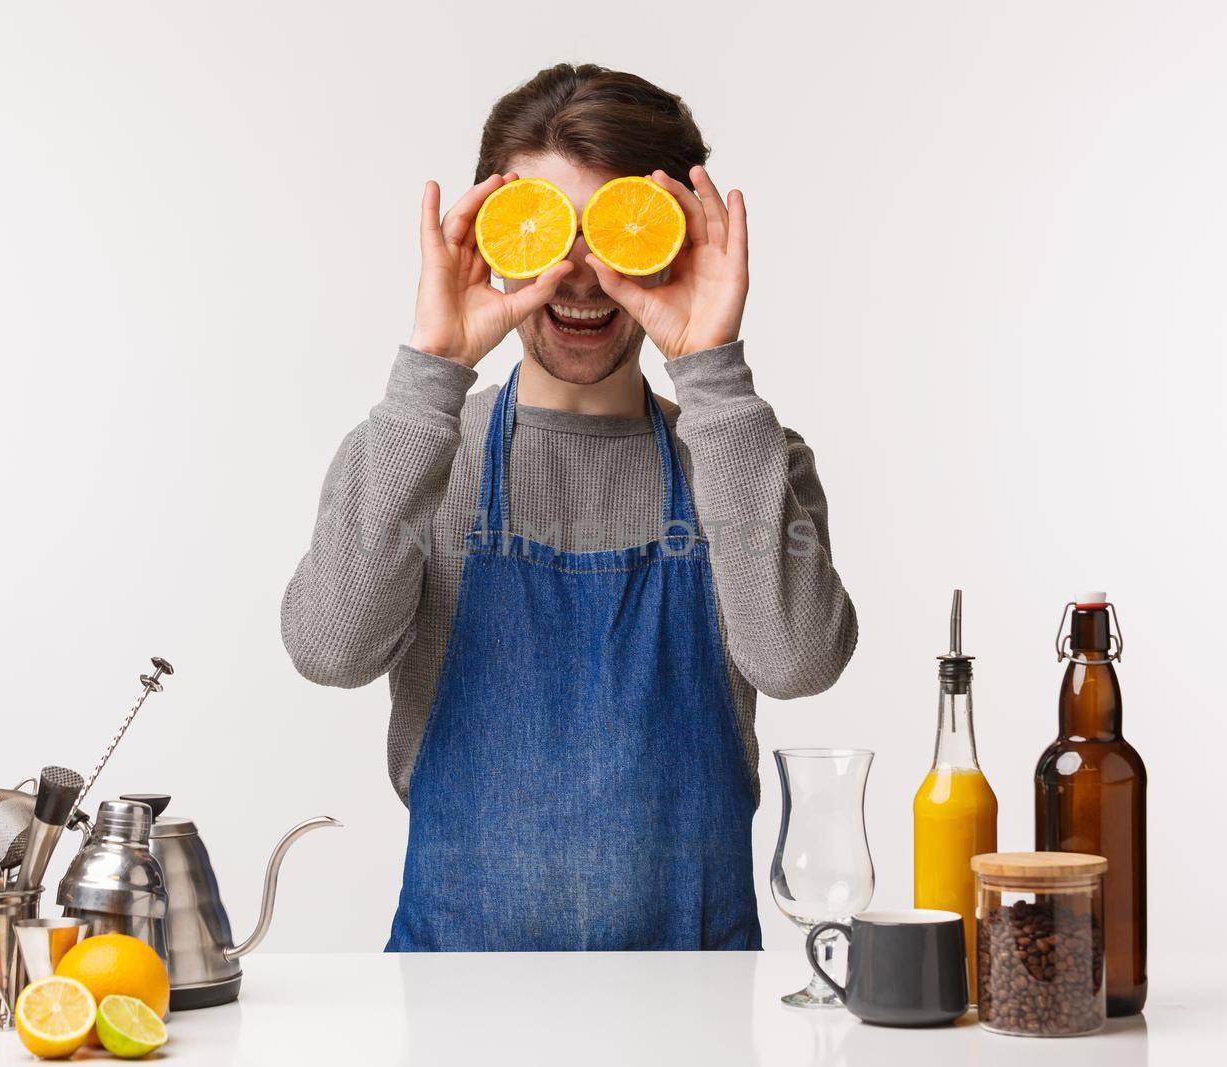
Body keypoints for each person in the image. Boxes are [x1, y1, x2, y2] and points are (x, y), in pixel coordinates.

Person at [281, 62, 857, 952]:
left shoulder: (745, 453)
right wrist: (430, 370)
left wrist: (713, 370)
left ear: (680, 243)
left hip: (697, 1006)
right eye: (547, 233)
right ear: (488, 241)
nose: (581, 277)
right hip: (456, 1006)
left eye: (617, 233)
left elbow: (798, 662)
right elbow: (327, 648)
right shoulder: (421, 449)